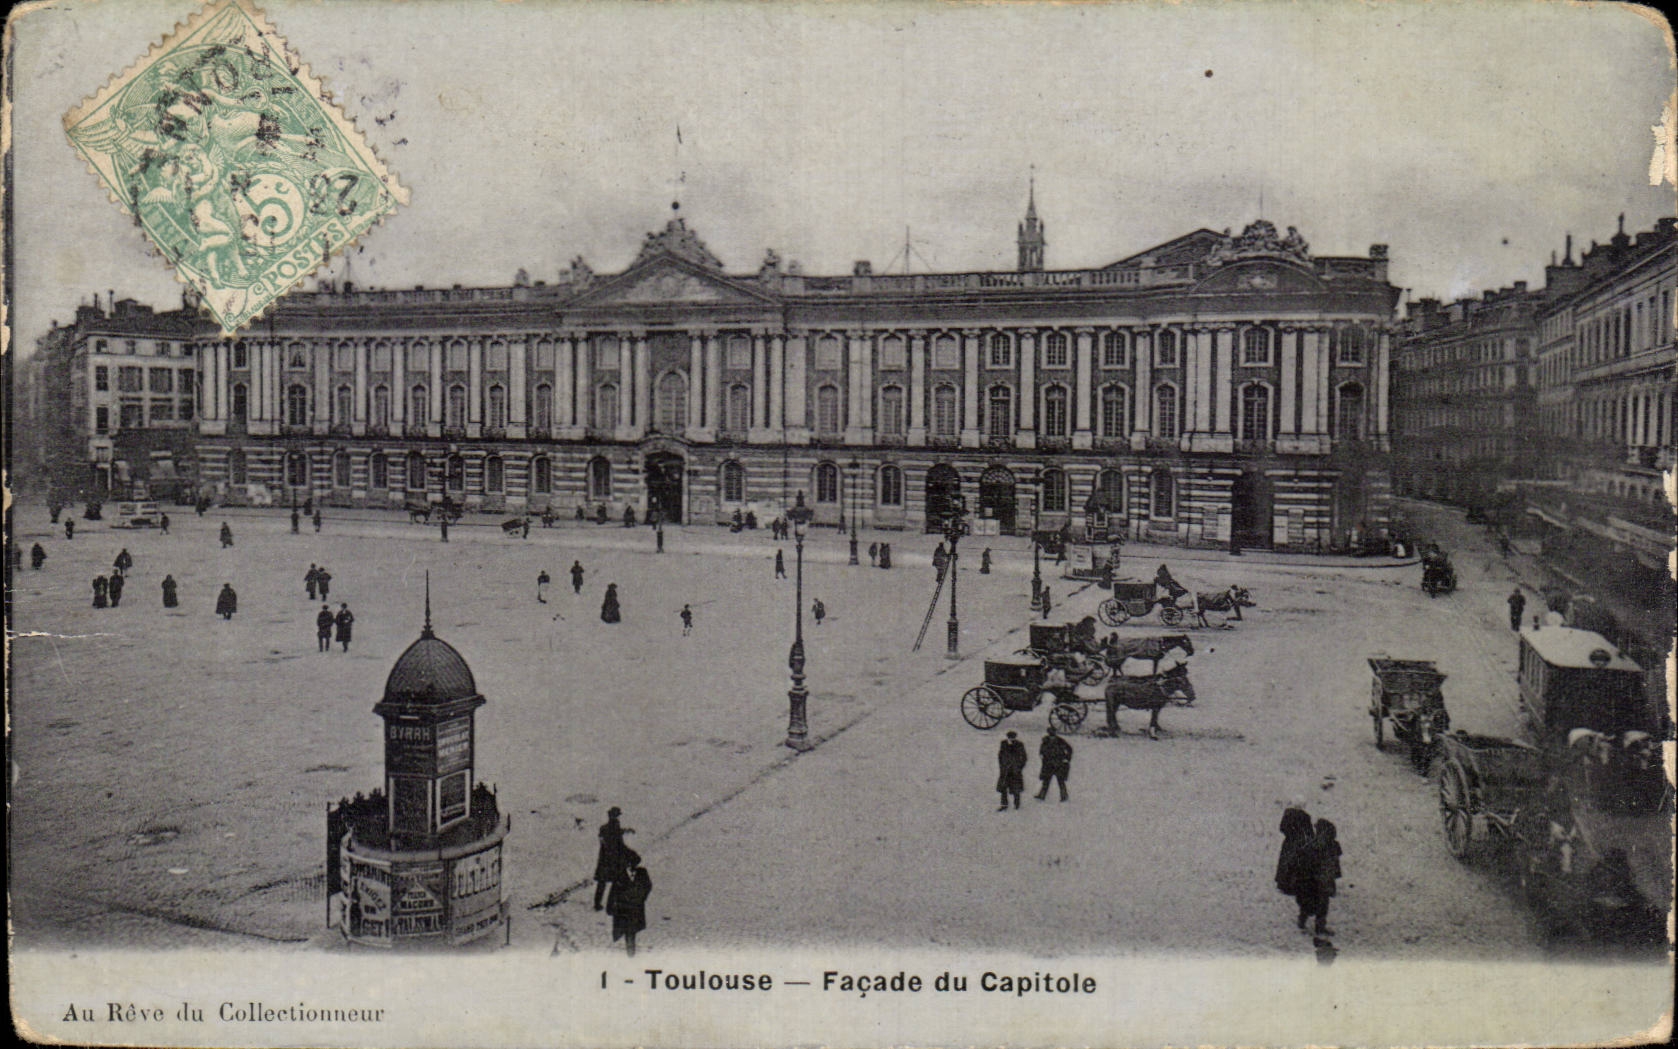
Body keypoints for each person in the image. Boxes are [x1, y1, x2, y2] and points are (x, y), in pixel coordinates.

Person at [1275, 803, 1315, 929]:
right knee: (1297, 865)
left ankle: (1283, 883)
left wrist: (1290, 835)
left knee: (1286, 863)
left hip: (1288, 843)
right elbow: (1310, 833)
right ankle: (1292, 885)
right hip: (1299, 844)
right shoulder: (1305, 817)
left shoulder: (1287, 815)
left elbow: (1282, 828)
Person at [607, 850, 652, 957]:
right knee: (627, 931)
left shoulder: (642, 873)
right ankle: (630, 953)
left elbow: (648, 886)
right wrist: (610, 906)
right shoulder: (620, 874)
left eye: (634, 864)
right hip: (623, 909)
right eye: (629, 864)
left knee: (631, 932)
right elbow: (613, 891)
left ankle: (630, 953)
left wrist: (641, 897)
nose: (632, 866)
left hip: (636, 907)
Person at [593, 807, 635, 910]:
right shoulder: (615, 827)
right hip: (614, 860)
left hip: (604, 859)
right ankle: (612, 905)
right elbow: (619, 844)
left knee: (602, 882)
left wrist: (625, 830)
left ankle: (597, 904)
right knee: (618, 882)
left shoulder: (603, 828)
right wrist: (630, 854)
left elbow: (610, 835)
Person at [1306, 819, 1342, 936]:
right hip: (1325, 880)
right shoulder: (1333, 845)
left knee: (1314, 903)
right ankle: (1320, 926)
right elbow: (1335, 864)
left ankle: (1305, 921)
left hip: (1317, 880)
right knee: (1322, 905)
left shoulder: (1314, 845)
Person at [1035, 725, 1074, 802]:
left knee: (1060, 781)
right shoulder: (1045, 741)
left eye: (1052, 734)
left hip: (1058, 764)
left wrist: (1066, 758)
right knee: (1046, 781)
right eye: (1050, 734)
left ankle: (1064, 796)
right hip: (1049, 764)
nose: (1051, 735)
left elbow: (1069, 749)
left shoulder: (1060, 741)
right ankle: (1042, 795)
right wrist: (1042, 755)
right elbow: (1041, 750)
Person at [996, 730, 1027, 811]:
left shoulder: (1019, 744)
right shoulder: (1003, 744)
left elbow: (1024, 757)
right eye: (1010, 738)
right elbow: (1000, 755)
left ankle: (1017, 804)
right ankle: (1004, 805)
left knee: (1016, 789)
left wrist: (1019, 767)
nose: (1011, 739)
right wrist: (1002, 766)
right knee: (1003, 788)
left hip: (1015, 771)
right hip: (1005, 770)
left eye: (1012, 738)